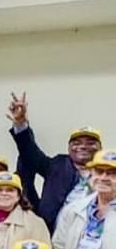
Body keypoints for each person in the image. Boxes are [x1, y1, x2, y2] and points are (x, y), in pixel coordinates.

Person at [6, 92, 102, 230]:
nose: (83, 146)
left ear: (100, 148)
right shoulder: (57, 165)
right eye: (76, 142)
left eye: (90, 142)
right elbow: (30, 153)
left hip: (95, 235)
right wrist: (20, 124)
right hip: (56, 235)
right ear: (68, 147)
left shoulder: (108, 172)